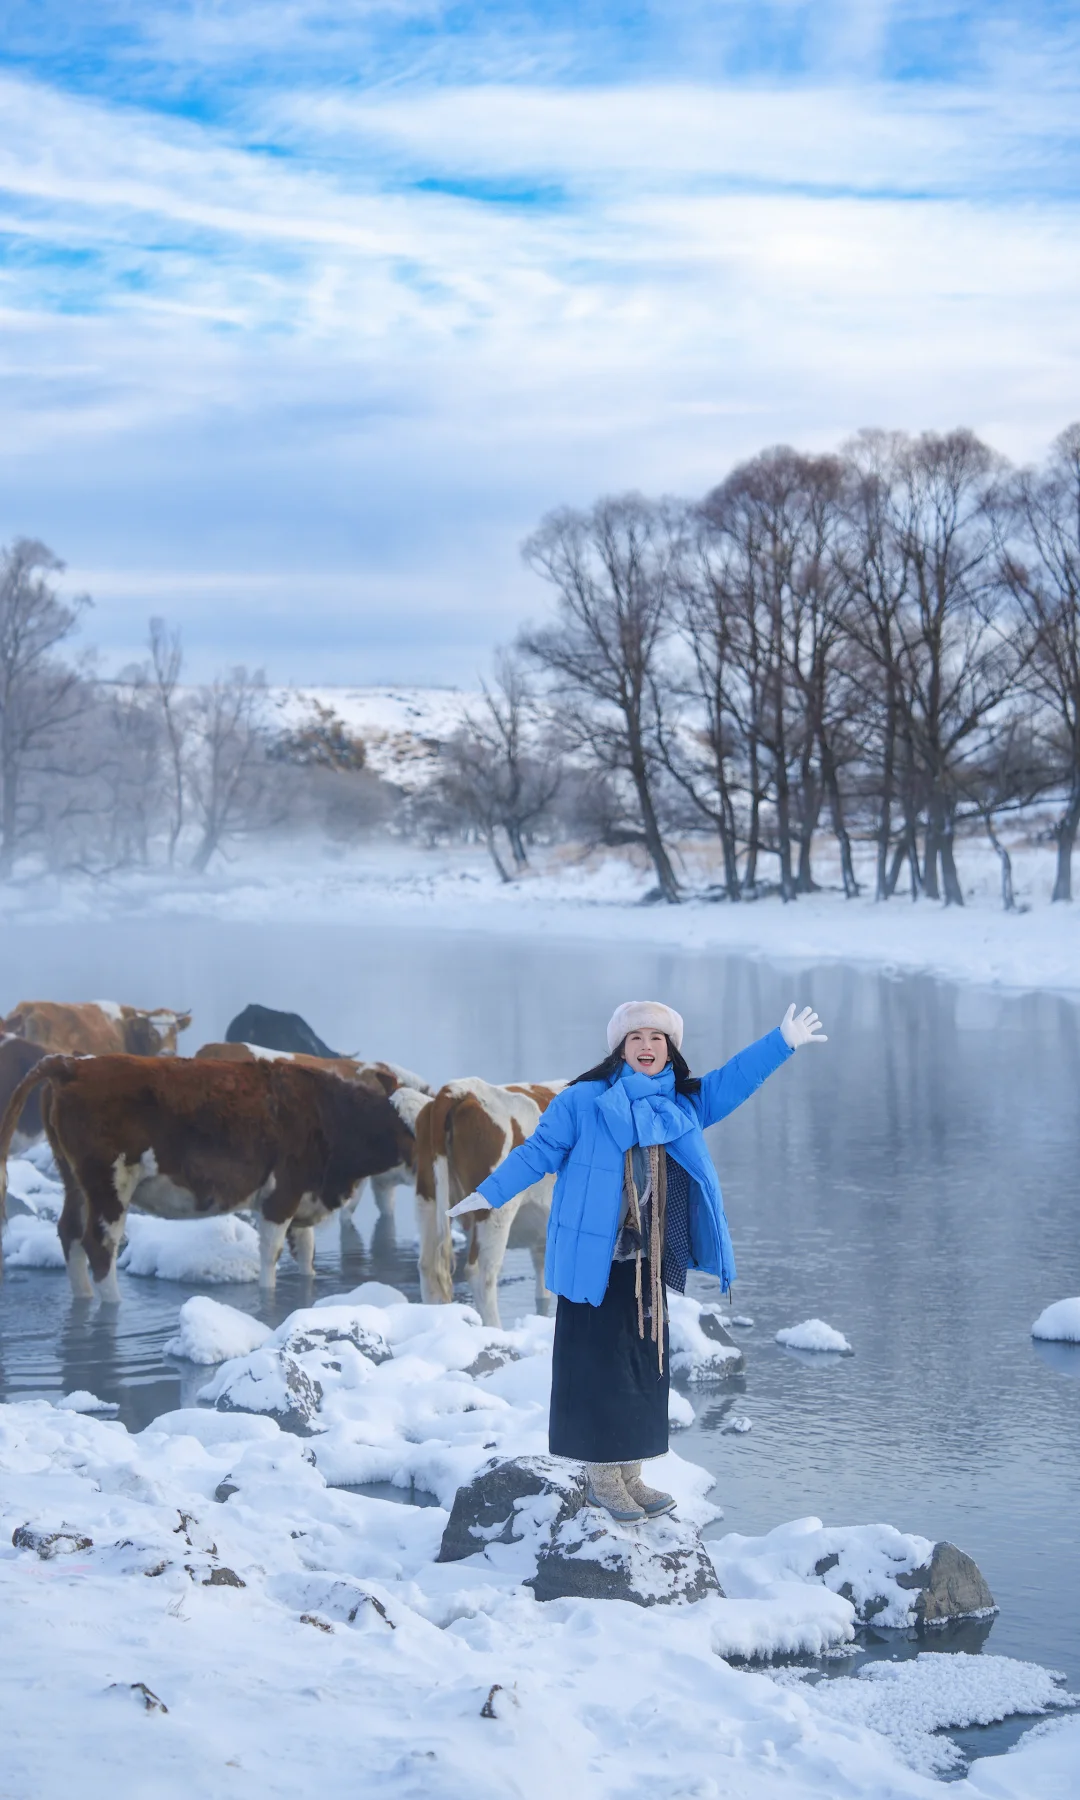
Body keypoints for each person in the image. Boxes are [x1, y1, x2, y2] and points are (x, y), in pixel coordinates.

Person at [449, 998, 828, 1521]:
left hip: (646, 1263)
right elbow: (536, 1153)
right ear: (619, 1049)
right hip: (593, 1262)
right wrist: (488, 1193)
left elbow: (734, 1081)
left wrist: (780, 1043)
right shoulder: (582, 1101)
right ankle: (601, 1474)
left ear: (670, 1048)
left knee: (642, 1367)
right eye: (636, 1038)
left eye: (657, 1038)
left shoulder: (683, 1102)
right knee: (596, 1368)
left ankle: (631, 1473)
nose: (647, 1046)